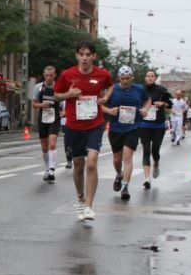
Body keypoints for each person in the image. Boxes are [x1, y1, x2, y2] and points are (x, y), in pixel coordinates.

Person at [54, 41, 114, 221]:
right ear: (77, 56)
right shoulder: (67, 75)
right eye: (82, 54)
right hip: (74, 125)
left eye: (88, 54)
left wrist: (106, 98)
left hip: (95, 124)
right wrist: (68, 95)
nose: (85, 58)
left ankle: (89, 206)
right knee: (78, 164)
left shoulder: (102, 74)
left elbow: (110, 85)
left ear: (94, 56)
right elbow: (57, 95)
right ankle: (80, 197)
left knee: (92, 163)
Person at [102, 66, 150, 201]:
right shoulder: (113, 89)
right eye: (122, 79)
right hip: (116, 128)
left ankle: (125, 186)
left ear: (132, 78)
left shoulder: (139, 89)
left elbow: (148, 100)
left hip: (133, 128)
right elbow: (100, 104)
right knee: (117, 159)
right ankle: (119, 174)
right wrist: (109, 111)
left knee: (127, 157)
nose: (125, 81)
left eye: (127, 78)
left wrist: (145, 109)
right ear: (119, 79)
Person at [138, 70, 172, 189]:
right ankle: (147, 179)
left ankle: (156, 162)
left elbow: (170, 104)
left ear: (155, 78)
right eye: (148, 76)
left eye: (152, 76)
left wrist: (162, 103)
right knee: (146, 150)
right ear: (145, 78)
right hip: (144, 125)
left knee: (155, 151)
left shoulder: (161, 90)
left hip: (158, 125)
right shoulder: (140, 90)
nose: (150, 78)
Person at [31, 65, 61, 182]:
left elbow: (63, 101)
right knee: (44, 147)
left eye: (51, 75)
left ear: (54, 76)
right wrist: (42, 105)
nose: (49, 77)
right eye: (47, 75)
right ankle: (48, 169)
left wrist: (63, 111)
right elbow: (34, 104)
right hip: (43, 118)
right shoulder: (38, 87)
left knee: (52, 144)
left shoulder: (58, 87)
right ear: (44, 75)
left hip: (55, 118)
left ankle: (52, 170)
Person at [60, 100, 73, 169]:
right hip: (65, 123)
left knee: (75, 140)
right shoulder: (62, 100)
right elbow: (59, 109)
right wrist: (62, 113)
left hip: (75, 122)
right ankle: (69, 160)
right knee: (67, 142)